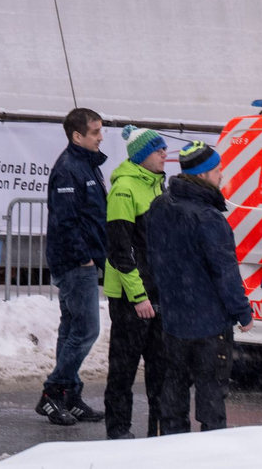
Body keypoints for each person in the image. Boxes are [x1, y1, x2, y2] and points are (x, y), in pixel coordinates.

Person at [147, 141, 253, 434]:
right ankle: (209, 457)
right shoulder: (209, 217)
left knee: (173, 391)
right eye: (218, 170)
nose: (221, 176)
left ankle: (171, 450)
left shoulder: (159, 206)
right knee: (211, 400)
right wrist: (243, 313)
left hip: (173, 320)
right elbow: (225, 272)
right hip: (209, 324)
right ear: (204, 174)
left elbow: (152, 258)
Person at [36, 108, 108, 426]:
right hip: (75, 263)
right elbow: (65, 220)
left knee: (70, 331)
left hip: (81, 261)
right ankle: (53, 393)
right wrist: (84, 257)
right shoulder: (69, 169)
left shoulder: (87, 166)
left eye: (100, 130)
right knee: (87, 330)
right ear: (77, 136)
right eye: (95, 132)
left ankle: (70, 395)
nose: (101, 137)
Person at [102, 125, 168, 439]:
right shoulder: (124, 189)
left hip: (157, 292)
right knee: (123, 370)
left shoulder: (158, 186)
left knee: (161, 370)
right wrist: (139, 297)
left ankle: (158, 434)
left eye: (164, 149)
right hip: (132, 298)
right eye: (158, 150)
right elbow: (120, 250)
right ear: (141, 156)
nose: (164, 155)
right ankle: (118, 433)